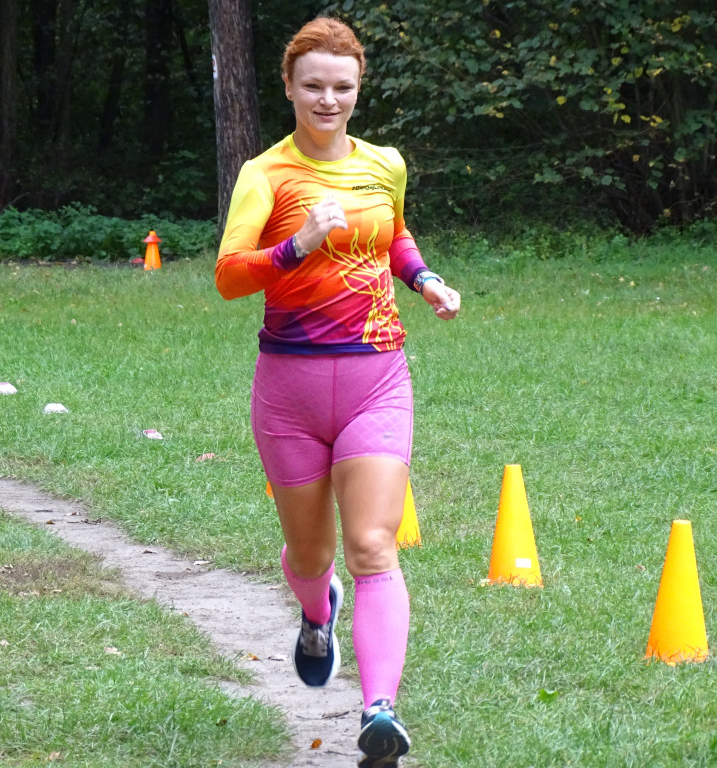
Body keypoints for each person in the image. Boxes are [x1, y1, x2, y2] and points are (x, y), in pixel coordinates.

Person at [215, 16, 460, 768]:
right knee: (310, 552)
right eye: (313, 86)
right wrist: (297, 245)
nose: (328, 99)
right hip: (288, 386)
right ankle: (316, 615)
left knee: (372, 544)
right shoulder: (267, 174)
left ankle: (379, 711)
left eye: (342, 87)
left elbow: (395, 235)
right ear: (288, 86)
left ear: (359, 89)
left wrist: (424, 280)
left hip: (375, 375)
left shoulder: (385, 163)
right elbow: (229, 276)